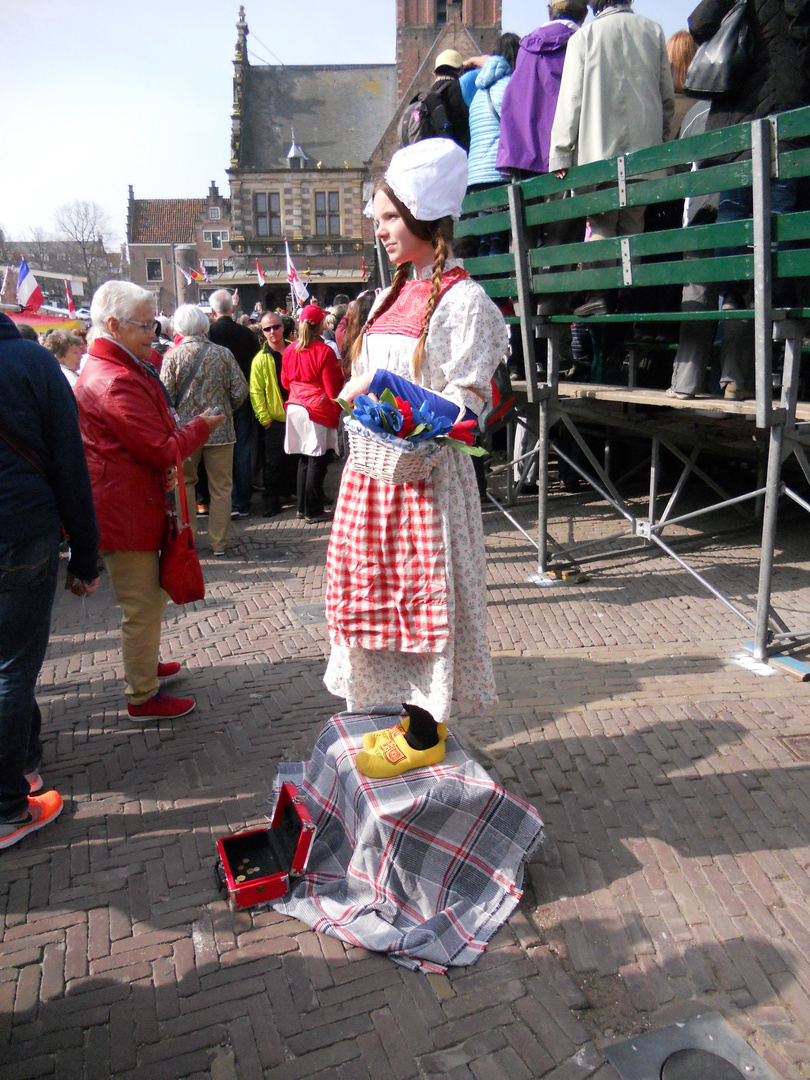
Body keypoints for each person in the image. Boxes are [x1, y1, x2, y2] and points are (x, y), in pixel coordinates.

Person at [324, 139, 508, 740]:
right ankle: (400, 723)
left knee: (423, 602)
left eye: (389, 218)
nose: (380, 231)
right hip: (372, 480)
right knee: (378, 602)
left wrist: (405, 418)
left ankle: (426, 734)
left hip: (423, 480)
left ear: (425, 218)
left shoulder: (465, 301)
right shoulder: (385, 294)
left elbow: (467, 411)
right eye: (378, 219)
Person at [75, 282, 224, 721]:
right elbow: (159, 448)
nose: (153, 331)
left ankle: (146, 666)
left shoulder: (118, 369)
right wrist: (200, 427)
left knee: (150, 598)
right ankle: (142, 695)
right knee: (140, 605)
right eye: (145, 324)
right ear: (115, 326)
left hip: (132, 502)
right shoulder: (114, 381)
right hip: (127, 510)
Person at [0, 313, 99, 849]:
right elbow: (69, 464)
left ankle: (25, 764)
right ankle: (9, 805)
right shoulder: (32, 362)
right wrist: (85, 556)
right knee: (12, 669)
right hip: (17, 528)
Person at [548, 0, 675, 317]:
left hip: (598, 154)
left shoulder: (585, 36)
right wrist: (659, 140)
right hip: (645, 156)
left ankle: (603, 294)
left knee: (602, 223)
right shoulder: (654, 31)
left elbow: (571, 101)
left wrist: (561, 153)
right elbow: (666, 97)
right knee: (634, 224)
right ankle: (630, 297)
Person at [160, 304, 248, 555]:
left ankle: (187, 540)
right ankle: (219, 543)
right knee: (221, 487)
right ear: (204, 325)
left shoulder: (173, 356)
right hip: (220, 429)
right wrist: (224, 410)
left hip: (186, 432)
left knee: (185, 483)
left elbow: (166, 395)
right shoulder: (223, 354)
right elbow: (240, 391)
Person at [496, 1, 589, 179]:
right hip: (562, 162)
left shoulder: (525, 48)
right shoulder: (581, 43)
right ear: (584, 15)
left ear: (549, 11)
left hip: (522, 159)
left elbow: (513, 101)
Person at [280, 304, 344, 523]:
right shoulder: (324, 351)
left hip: (295, 405)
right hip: (316, 407)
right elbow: (332, 388)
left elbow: (284, 381)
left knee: (304, 459)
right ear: (320, 326)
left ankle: (301, 507)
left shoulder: (290, 349)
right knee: (317, 459)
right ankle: (313, 510)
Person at [466, 33, 521, 257]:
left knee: (484, 238)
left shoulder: (479, 91)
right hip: (498, 173)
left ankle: (482, 290)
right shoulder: (511, 86)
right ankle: (495, 292)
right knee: (498, 237)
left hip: (476, 177)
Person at [207, 289, 261, 518]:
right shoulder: (247, 334)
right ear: (233, 309)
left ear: (212, 311)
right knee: (242, 450)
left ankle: (218, 500)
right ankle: (242, 502)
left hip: (215, 402)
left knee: (216, 452)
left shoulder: (208, 334)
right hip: (243, 398)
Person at [250, 311, 295, 517]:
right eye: (267, 329)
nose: (272, 332)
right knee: (273, 462)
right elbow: (256, 391)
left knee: (298, 457)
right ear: (262, 332)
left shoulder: (295, 349)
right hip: (275, 418)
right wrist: (264, 419)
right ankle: (272, 501)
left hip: (298, 414)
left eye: (275, 327)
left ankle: (295, 492)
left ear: (283, 327)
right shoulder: (260, 359)